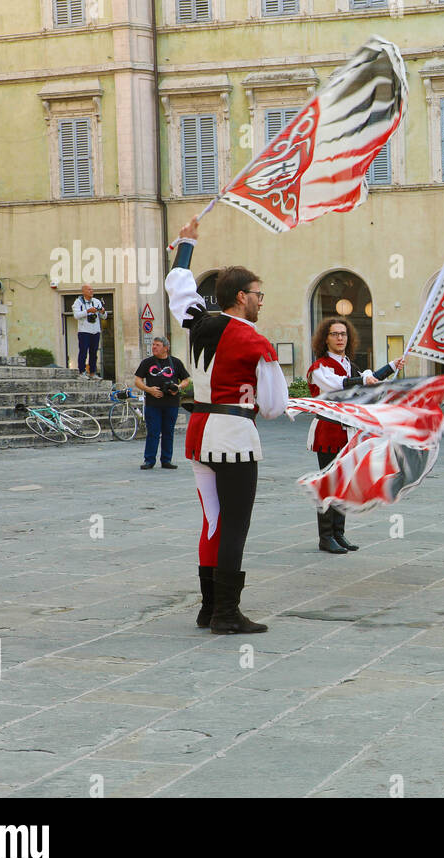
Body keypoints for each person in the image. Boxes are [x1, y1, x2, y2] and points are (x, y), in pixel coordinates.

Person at [165, 216, 286, 634]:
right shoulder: (255, 341)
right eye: (257, 294)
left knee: (213, 522)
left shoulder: (200, 323)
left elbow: (178, 288)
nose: (261, 301)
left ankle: (208, 608)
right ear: (241, 297)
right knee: (235, 525)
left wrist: (186, 244)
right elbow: (273, 406)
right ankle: (226, 613)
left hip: (199, 434)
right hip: (234, 436)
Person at [307, 318, 405, 554]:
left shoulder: (351, 365)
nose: (340, 338)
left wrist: (392, 366)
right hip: (329, 431)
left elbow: (367, 382)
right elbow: (339, 386)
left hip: (349, 432)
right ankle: (325, 536)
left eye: (343, 334)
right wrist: (363, 379)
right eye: (335, 334)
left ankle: (338, 533)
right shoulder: (320, 367)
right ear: (325, 338)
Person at [133, 337, 191, 470]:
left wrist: (178, 387)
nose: (154, 347)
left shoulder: (175, 362)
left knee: (168, 432)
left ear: (166, 348)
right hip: (153, 403)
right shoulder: (147, 362)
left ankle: (166, 460)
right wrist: (149, 390)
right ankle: (149, 460)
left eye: (157, 345)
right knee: (153, 432)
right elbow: (137, 380)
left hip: (171, 403)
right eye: (153, 345)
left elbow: (186, 380)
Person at [72, 285, 107, 380]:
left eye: (92, 289)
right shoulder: (78, 302)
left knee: (94, 353)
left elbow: (104, 316)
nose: (91, 291)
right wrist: (88, 311)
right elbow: (76, 315)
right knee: (83, 351)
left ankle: (93, 373)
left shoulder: (97, 301)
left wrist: (103, 312)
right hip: (84, 331)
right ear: (83, 292)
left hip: (95, 331)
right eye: (89, 289)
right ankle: (81, 372)